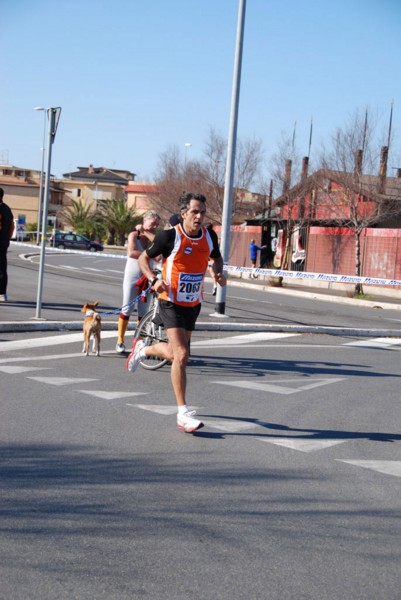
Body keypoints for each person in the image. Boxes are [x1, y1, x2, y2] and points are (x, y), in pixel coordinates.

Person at [126, 192, 226, 433]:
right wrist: (152, 279)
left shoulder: (209, 236)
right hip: (170, 301)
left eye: (202, 212)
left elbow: (217, 258)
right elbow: (142, 259)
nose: (199, 216)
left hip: (193, 304)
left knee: (175, 354)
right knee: (181, 355)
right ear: (183, 214)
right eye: (194, 212)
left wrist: (218, 273)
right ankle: (183, 413)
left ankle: (144, 349)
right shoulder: (168, 237)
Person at [115, 211, 161, 353]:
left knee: (143, 311)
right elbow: (131, 252)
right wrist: (149, 255)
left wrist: (152, 255)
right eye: (152, 223)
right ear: (144, 222)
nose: (154, 226)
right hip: (132, 277)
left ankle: (138, 343)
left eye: (157, 224)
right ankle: (120, 340)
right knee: (127, 308)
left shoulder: (154, 238)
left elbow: (159, 256)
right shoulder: (134, 235)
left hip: (147, 277)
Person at [0, 188, 14, 302]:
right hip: (4, 243)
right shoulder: (7, 209)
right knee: (2, 268)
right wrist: (7, 239)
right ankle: (2, 293)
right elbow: (12, 227)